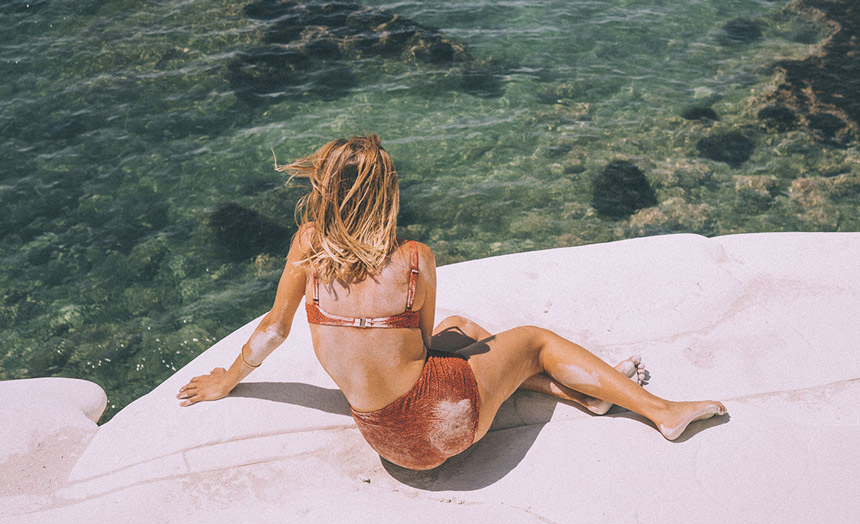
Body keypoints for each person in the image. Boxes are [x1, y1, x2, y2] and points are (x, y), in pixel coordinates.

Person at [176, 134, 726, 470]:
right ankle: (662, 412)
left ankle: (579, 395)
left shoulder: (307, 249)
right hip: (445, 425)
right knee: (534, 340)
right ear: (385, 191)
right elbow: (420, 349)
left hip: (384, 440)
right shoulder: (414, 259)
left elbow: (275, 328)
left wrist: (228, 380)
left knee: (464, 329)